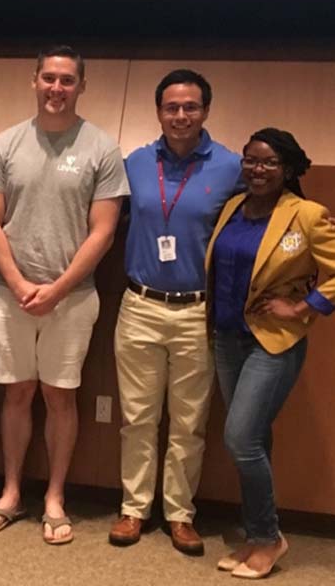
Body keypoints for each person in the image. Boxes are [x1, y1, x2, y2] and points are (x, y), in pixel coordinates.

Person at [0, 45, 128, 542]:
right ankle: (12, 493)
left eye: (67, 80)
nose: (56, 88)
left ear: (81, 86)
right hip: (9, 293)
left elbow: (102, 233)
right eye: (49, 78)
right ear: (34, 81)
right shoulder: (5, 144)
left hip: (73, 298)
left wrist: (57, 289)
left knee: (60, 397)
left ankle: (55, 496)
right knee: (16, 394)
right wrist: (21, 285)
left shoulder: (102, 149)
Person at [109, 69, 242, 555]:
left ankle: (180, 514)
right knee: (138, 418)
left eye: (190, 107)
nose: (180, 116)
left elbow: (270, 212)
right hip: (140, 304)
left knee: (189, 423)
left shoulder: (231, 166)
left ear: (205, 110)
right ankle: (133, 508)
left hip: (197, 312)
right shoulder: (136, 162)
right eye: (171, 107)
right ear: (159, 111)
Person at [207, 128, 335, 579]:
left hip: (274, 342)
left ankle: (268, 538)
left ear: (288, 169)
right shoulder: (231, 209)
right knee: (254, 440)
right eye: (250, 161)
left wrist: (302, 305)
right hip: (227, 337)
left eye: (268, 163)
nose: (257, 170)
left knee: (240, 439)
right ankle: (256, 532)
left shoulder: (306, 214)